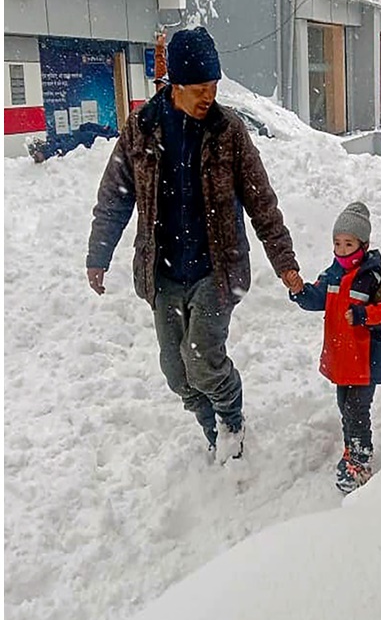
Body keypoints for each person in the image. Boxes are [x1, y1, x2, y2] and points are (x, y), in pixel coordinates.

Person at [86, 27, 301, 462]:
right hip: (163, 272)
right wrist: (99, 254)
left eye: (214, 87)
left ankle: (231, 422)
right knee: (176, 371)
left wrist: (285, 264)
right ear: (175, 86)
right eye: (200, 89)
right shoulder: (142, 129)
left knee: (202, 359)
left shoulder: (229, 132)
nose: (209, 96)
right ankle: (211, 427)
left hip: (217, 272)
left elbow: (262, 202)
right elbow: (114, 196)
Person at [290, 202, 381, 493]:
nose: (342, 249)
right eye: (337, 243)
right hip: (342, 359)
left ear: (363, 244)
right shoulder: (332, 274)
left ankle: (361, 460)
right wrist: (299, 290)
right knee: (344, 407)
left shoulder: (372, 277)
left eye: (348, 243)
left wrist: (363, 315)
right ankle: (351, 448)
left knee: (357, 410)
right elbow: (316, 299)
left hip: (364, 361)